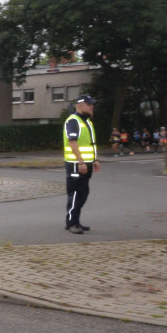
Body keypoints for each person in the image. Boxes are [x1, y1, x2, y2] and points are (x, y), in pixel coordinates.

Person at [64, 94, 100, 234]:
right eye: (89, 104)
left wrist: (95, 160)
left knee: (83, 192)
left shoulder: (87, 122)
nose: (92, 106)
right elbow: (73, 143)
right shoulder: (73, 121)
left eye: (92, 104)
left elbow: (90, 144)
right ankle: (72, 223)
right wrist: (81, 162)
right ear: (79, 105)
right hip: (76, 164)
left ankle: (75, 221)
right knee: (75, 194)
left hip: (86, 163)